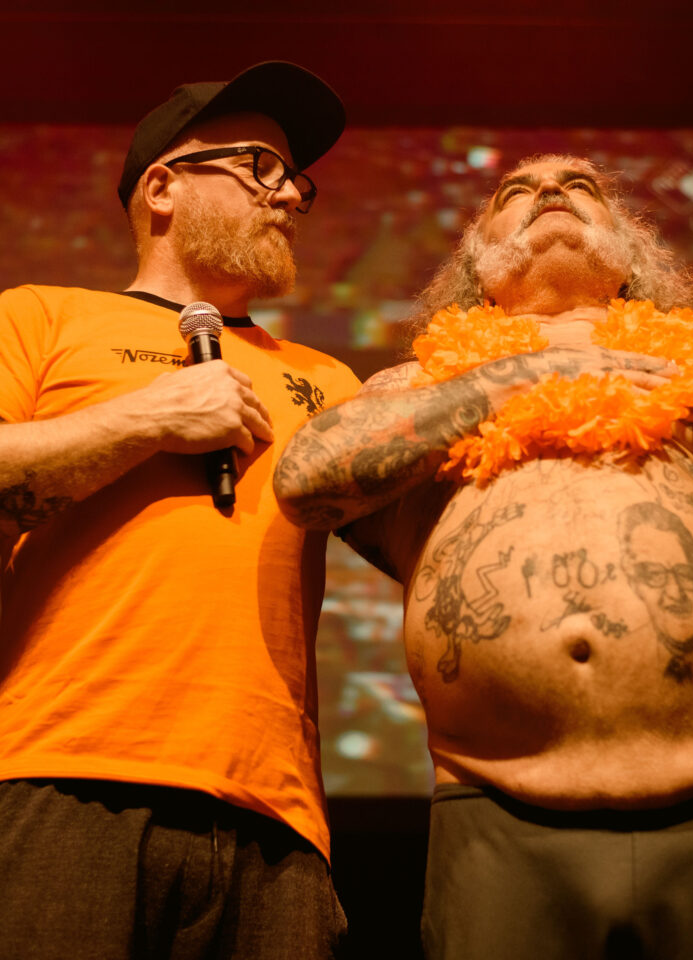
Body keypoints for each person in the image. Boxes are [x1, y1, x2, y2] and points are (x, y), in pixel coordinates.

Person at [274, 155, 693, 959]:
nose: (550, 193)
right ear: (476, 263)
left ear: (631, 254)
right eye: (516, 191)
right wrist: (525, 376)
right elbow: (306, 481)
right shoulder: (414, 384)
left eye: (583, 187)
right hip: (496, 815)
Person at [0, 61, 360, 959]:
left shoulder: (329, 380)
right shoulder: (41, 317)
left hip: (277, 819)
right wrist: (150, 418)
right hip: (62, 772)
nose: (289, 196)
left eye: (296, 181)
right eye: (260, 167)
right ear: (163, 187)